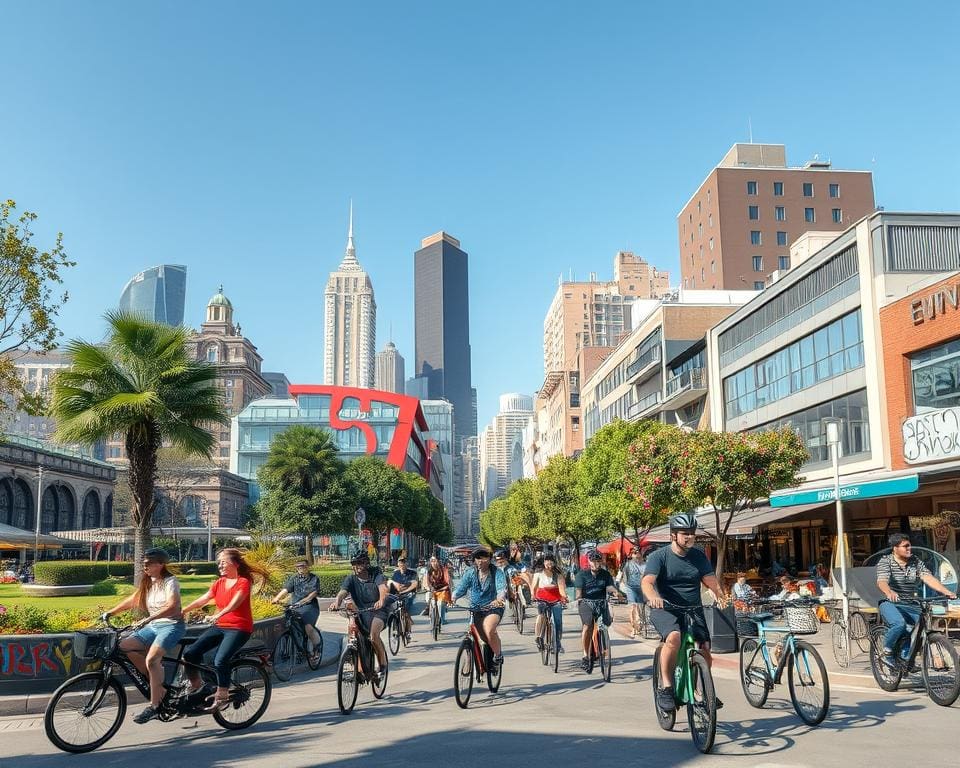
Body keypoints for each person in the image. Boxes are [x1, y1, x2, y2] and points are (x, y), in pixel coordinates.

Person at [642, 513, 726, 713]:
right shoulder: (659, 557)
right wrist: (653, 596)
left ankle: (704, 688)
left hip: (693, 609)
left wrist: (721, 595)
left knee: (705, 647)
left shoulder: (698, 556)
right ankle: (667, 688)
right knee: (674, 638)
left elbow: (710, 580)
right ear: (673, 535)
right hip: (665, 608)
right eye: (684, 533)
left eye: (691, 533)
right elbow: (647, 582)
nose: (689, 537)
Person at [102, 548, 185, 724]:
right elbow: (133, 599)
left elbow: (173, 606)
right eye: (144, 563)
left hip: (171, 626)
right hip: (153, 626)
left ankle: (155, 706)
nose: (144, 566)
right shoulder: (149, 583)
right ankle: (158, 685)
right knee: (123, 647)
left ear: (161, 565)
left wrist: (149, 618)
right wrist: (110, 612)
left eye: (149, 563)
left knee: (152, 659)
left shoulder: (171, 581)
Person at [181, 548, 269, 711]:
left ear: (235, 564)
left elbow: (234, 603)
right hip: (221, 626)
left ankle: (223, 696)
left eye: (223, 562)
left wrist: (217, 614)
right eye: (218, 562)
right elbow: (204, 599)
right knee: (190, 654)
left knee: (220, 660)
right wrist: (184, 610)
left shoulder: (243, 582)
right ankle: (198, 687)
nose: (219, 565)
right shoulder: (219, 583)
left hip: (239, 628)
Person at [875, 532, 957, 669]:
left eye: (910, 545)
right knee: (899, 624)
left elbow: (928, 577)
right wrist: (889, 591)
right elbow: (881, 581)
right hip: (891, 603)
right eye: (905, 546)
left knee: (919, 628)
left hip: (910, 603)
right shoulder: (886, 561)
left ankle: (906, 659)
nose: (909, 549)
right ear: (895, 548)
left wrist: (946, 591)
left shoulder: (915, 561)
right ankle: (887, 652)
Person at [330, 551, 389, 676]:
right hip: (361, 612)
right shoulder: (351, 579)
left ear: (366, 563)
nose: (356, 566)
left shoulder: (376, 574)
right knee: (354, 635)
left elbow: (383, 588)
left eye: (359, 563)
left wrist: (381, 600)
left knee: (373, 636)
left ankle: (382, 664)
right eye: (354, 563)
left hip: (378, 611)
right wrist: (337, 602)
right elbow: (342, 592)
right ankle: (355, 665)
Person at [452, 546, 507, 669]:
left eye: (484, 558)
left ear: (489, 559)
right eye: (477, 558)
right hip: (475, 608)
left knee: (488, 629)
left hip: (493, 607)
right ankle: (472, 659)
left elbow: (501, 588)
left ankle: (498, 655)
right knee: (480, 636)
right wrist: (453, 597)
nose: (480, 561)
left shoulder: (497, 572)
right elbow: (461, 587)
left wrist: (499, 599)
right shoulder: (470, 573)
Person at [270, 559, 322, 664]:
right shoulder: (294, 578)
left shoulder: (314, 578)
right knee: (287, 622)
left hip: (309, 606)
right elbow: (286, 589)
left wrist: (301, 602)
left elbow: (312, 595)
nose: (300, 569)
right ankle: (298, 647)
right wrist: (276, 599)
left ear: (308, 567)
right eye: (298, 567)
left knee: (308, 628)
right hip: (295, 606)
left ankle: (317, 649)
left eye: (303, 566)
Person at [575, 549, 619, 671]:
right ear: (589, 561)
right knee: (588, 625)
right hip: (586, 602)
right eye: (593, 561)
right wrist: (579, 597)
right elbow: (578, 589)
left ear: (601, 562)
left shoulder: (605, 574)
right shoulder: (582, 574)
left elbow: (609, 586)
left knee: (606, 623)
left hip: (601, 602)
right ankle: (585, 655)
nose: (595, 563)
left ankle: (601, 644)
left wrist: (615, 592)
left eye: (598, 561)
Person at [529, 552, 567, 654]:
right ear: (544, 562)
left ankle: (557, 643)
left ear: (554, 562)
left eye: (551, 561)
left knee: (558, 621)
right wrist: (533, 595)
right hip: (542, 598)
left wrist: (564, 597)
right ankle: (538, 637)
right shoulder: (538, 574)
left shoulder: (558, 575)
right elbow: (533, 587)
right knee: (541, 615)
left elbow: (562, 589)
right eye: (547, 560)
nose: (549, 563)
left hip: (555, 599)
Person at [618, 547, 647, 638]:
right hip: (630, 588)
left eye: (638, 553)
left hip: (642, 588)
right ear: (631, 555)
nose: (636, 554)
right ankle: (634, 627)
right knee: (633, 607)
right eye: (634, 553)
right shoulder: (626, 565)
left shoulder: (645, 564)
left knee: (641, 608)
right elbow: (622, 577)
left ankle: (640, 624)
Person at [389, 556, 419, 641]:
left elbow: (414, 584)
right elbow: (393, 585)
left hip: (409, 594)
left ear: (407, 564)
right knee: (393, 610)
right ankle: (395, 628)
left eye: (404, 562)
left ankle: (408, 631)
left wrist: (405, 587)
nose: (402, 564)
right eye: (400, 562)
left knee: (406, 610)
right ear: (398, 564)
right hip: (398, 594)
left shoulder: (412, 573)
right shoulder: (396, 573)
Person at [425, 555, 453, 626]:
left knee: (440, 604)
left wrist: (449, 589)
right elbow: (426, 582)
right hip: (432, 590)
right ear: (430, 563)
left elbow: (448, 581)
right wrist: (429, 588)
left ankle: (442, 620)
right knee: (429, 599)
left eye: (435, 561)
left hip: (443, 590)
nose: (434, 563)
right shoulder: (428, 571)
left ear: (438, 562)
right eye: (432, 561)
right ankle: (431, 615)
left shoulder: (444, 570)